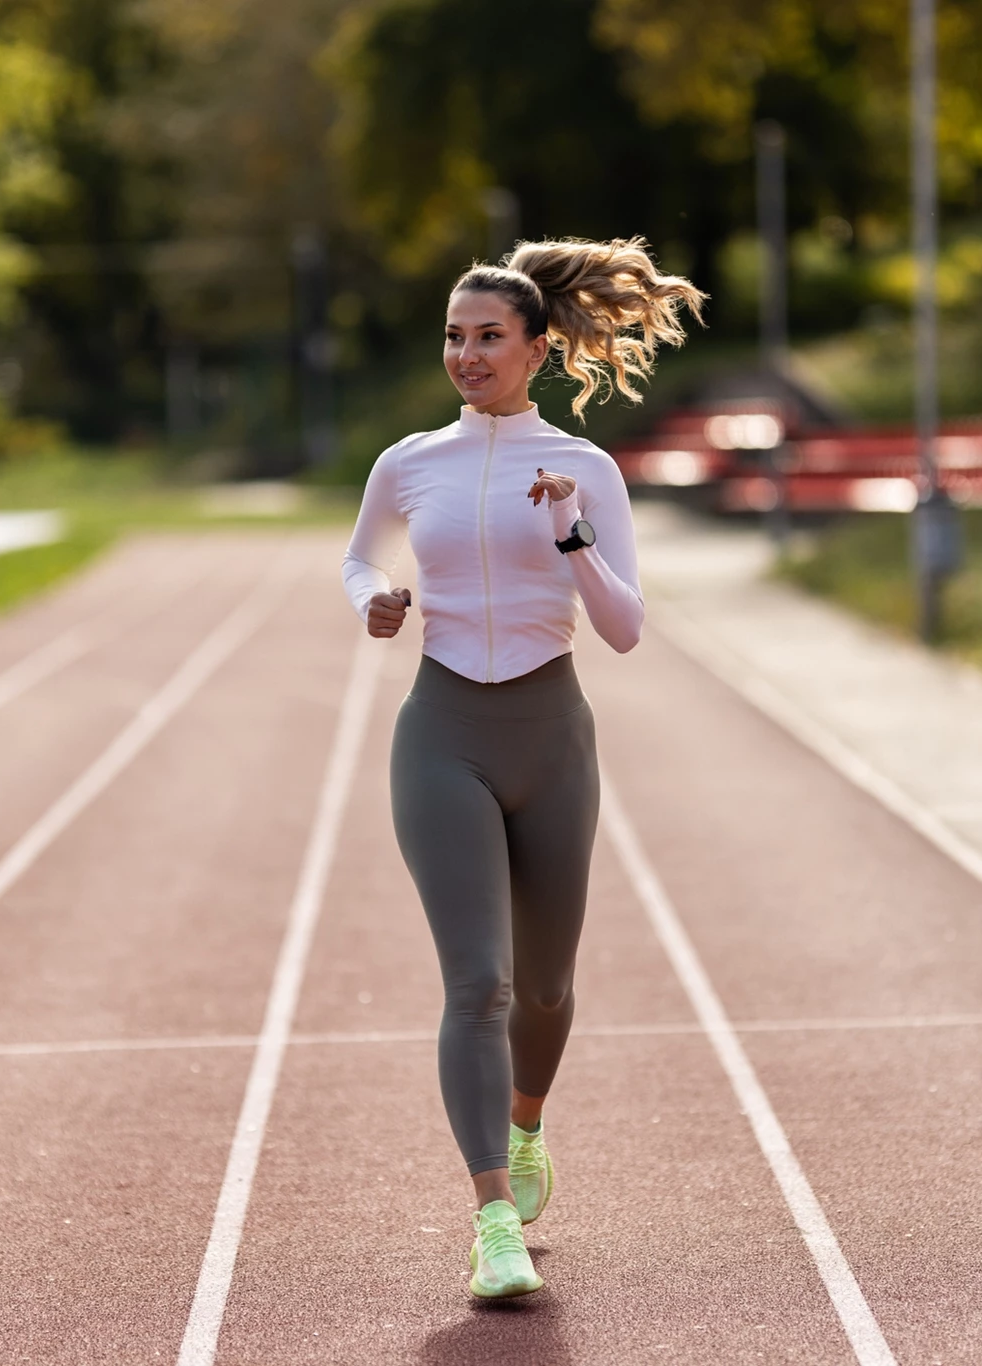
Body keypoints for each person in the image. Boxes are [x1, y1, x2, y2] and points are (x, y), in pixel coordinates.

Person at [341, 237, 704, 1298]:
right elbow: (363, 552)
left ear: (537, 348)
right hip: (441, 730)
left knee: (544, 987)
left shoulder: (585, 471)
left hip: (551, 737)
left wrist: (570, 538)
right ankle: (491, 1218)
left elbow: (626, 629)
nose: (465, 354)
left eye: (487, 337)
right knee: (479, 983)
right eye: (452, 336)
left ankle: (528, 1123)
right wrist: (371, 598)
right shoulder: (409, 462)